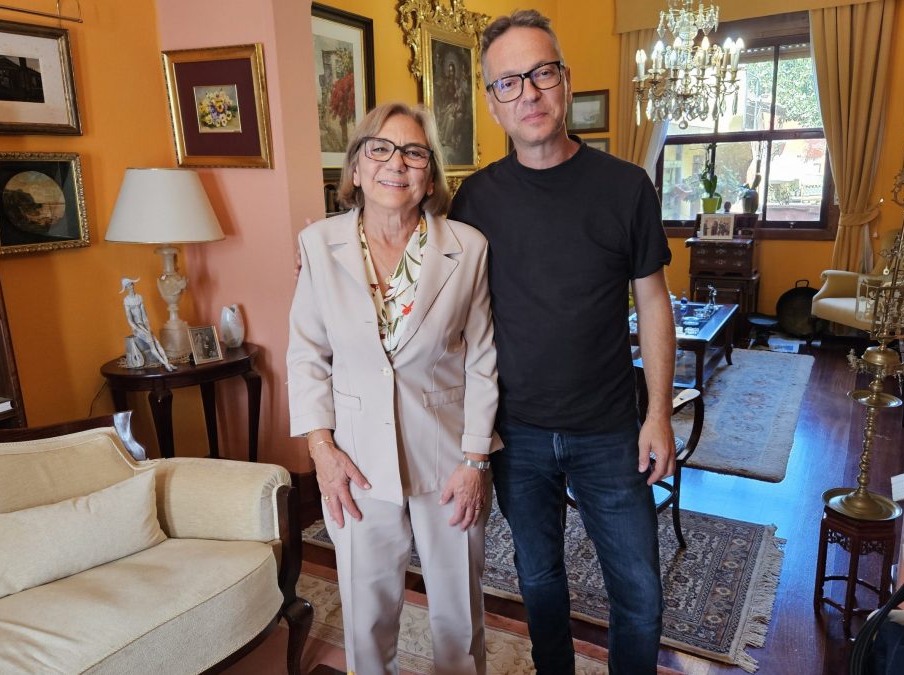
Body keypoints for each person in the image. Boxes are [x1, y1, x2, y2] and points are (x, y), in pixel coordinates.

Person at [449, 10, 677, 674]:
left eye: (542, 73)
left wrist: (659, 413)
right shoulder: (474, 201)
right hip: (516, 433)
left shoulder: (626, 187)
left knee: (640, 592)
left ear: (565, 80)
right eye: (509, 82)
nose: (529, 93)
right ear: (493, 102)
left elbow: (653, 303)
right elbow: (433, 289)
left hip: (610, 428)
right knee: (540, 581)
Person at [287, 102, 499, 675]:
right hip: (355, 463)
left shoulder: (467, 247)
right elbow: (306, 355)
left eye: (413, 152)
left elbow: (483, 359)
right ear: (356, 168)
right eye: (379, 149)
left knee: (458, 619)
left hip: (448, 458)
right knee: (367, 617)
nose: (395, 163)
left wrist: (475, 460)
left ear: (430, 175)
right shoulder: (318, 244)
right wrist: (322, 452)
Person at [120, 277, 173, 370]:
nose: (131, 287)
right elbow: (130, 320)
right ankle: (165, 364)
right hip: (137, 327)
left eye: (131, 284)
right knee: (152, 345)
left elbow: (144, 315)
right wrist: (138, 329)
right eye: (128, 286)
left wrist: (147, 326)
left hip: (144, 325)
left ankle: (167, 362)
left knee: (157, 342)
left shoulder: (139, 297)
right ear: (126, 288)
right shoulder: (127, 300)